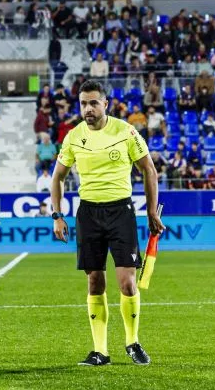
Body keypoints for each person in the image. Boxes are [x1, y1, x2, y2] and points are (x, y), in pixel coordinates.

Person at [50, 80, 164, 367]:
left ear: (105, 104)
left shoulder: (126, 131)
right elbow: (58, 177)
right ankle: (100, 350)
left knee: (127, 283)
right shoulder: (74, 136)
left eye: (93, 103)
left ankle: (132, 341)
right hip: (88, 213)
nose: (88, 109)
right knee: (94, 281)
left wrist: (152, 211)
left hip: (120, 212)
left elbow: (148, 169)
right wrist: (57, 214)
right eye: (83, 104)